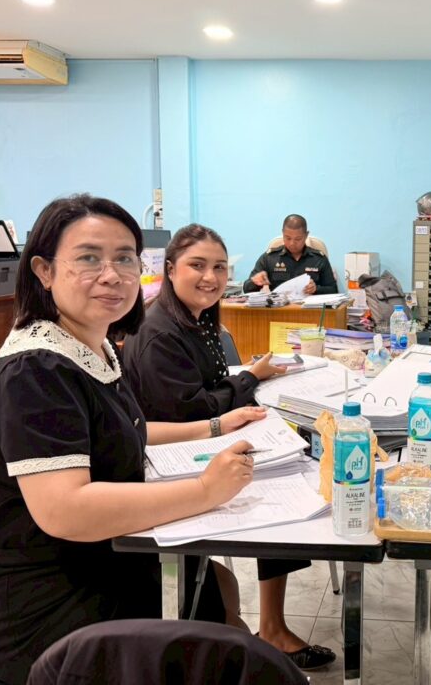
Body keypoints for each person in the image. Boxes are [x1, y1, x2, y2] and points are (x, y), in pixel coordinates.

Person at [0, 195, 263, 685]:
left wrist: (215, 428)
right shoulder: (37, 368)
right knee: (213, 624)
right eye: (88, 258)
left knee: (215, 585)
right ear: (44, 271)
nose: (112, 274)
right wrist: (205, 490)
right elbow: (65, 510)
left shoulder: (92, 345)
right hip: (39, 602)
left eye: (124, 258)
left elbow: (126, 430)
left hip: (92, 560)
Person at [123, 223, 336, 672]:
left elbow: (212, 387)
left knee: (288, 464)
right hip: (170, 456)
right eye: (197, 266)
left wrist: (245, 384)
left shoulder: (197, 318)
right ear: (170, 269)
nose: (211, 277)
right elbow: (189, 410)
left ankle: (271, 626)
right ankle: (259, 635)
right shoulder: (160, 332)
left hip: (201, 436)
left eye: (219, 267)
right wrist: (248, 381)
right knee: (269, 482)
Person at [242, 214, 337, 294]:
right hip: (279, 309)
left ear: (306, 235)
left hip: (309, 309)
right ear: (282, 233)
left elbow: (333, 290)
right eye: (288, 238)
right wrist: (255, 282)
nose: (292, 243)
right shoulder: (269, 258)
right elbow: (246, 289)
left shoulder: (319, 259)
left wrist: (316, 289)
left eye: (298, 239)